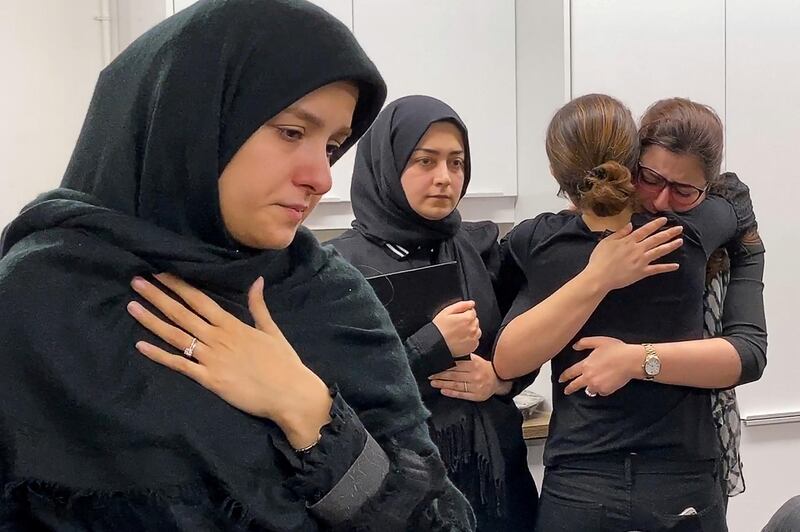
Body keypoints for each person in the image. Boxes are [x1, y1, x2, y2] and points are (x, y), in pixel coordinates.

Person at [0, 1, 475, 530]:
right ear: (194, 120)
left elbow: (440, 522)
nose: (321, 176)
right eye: (292, 132)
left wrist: (311, 412)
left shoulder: (330, 299)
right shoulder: (38, 301)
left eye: (333, 145)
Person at [493, 93, 756, 531]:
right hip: (679, 479)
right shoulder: (686, 238)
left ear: (559, 175)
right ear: (631, 163)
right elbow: (733, 207)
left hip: (579, 482)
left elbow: (506, 356)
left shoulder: (538, 242)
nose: (664, 196)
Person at [325, 95, 539, 531]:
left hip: (499, 482)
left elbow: (524, 339)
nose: (444, 178)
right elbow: (332, 394)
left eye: (456, 163)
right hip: (404, 498)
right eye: (425, 161)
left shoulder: (479, 249)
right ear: (388, 165)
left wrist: (502, 378)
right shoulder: (337, 268)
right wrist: (432, 346)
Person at [636, 98, 767, 507]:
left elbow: (749, 352)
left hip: (700, 452)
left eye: (683, 190)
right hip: (609, 460)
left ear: (707, 189)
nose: (660, 201)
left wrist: (633, 360)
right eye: (650, 178)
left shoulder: (732, 239)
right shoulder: (603, 229)